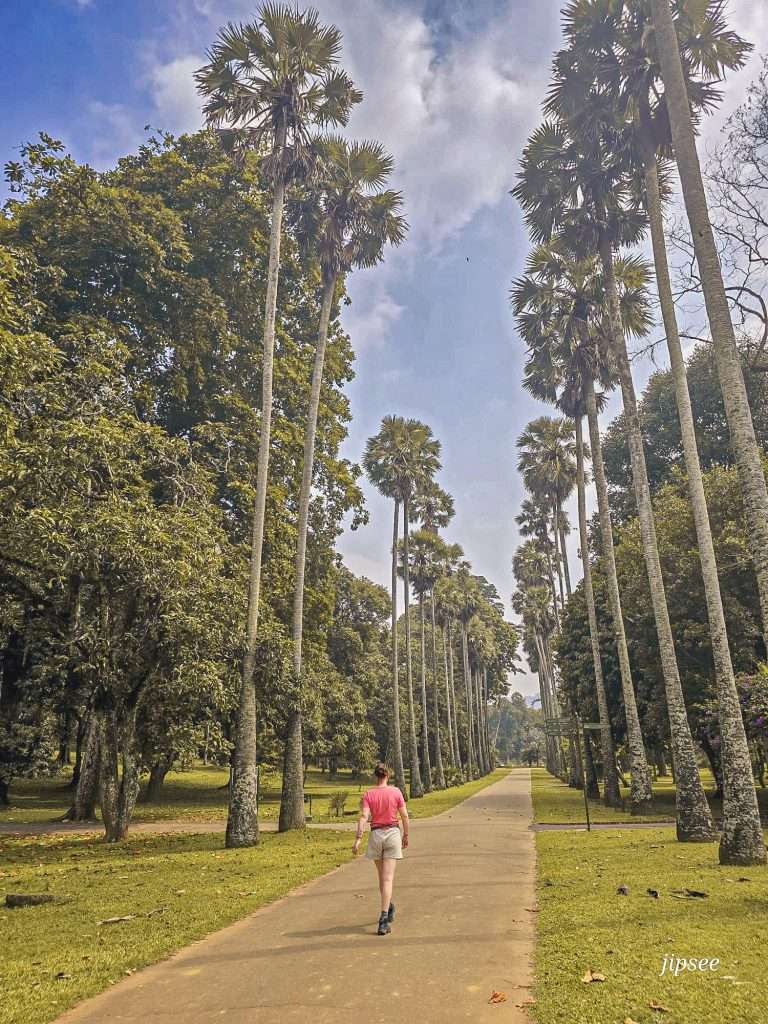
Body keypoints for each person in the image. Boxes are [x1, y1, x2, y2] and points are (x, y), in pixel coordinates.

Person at [352, 762, 409, 935]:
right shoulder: (396, 791)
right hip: (392, 834)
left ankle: (388, 905)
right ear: (388, 775)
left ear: (375, 776)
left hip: (376, 835)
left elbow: (364, 816)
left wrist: (358, 839)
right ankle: (384, 919)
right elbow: (404, 815)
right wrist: (406, 835)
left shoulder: (369, 794)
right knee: (387, 878)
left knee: (382, 878)